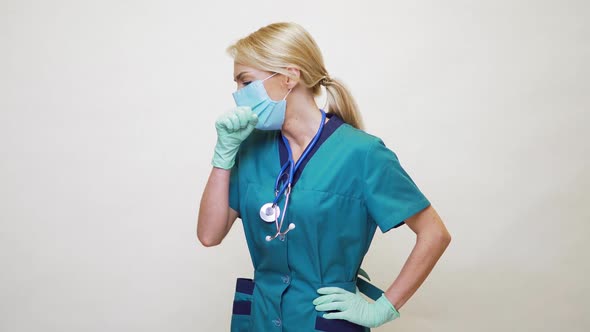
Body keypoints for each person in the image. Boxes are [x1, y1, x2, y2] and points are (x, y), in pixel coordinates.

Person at [197, 22, 451, 332]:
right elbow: (209, 235)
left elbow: (434, 233)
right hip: (262, 320)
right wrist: (222, 157)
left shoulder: (362, 154)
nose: (238, 95)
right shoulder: (250, 149)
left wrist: (383, 308)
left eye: (245, 81)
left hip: (323, 321)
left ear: (290, 77)